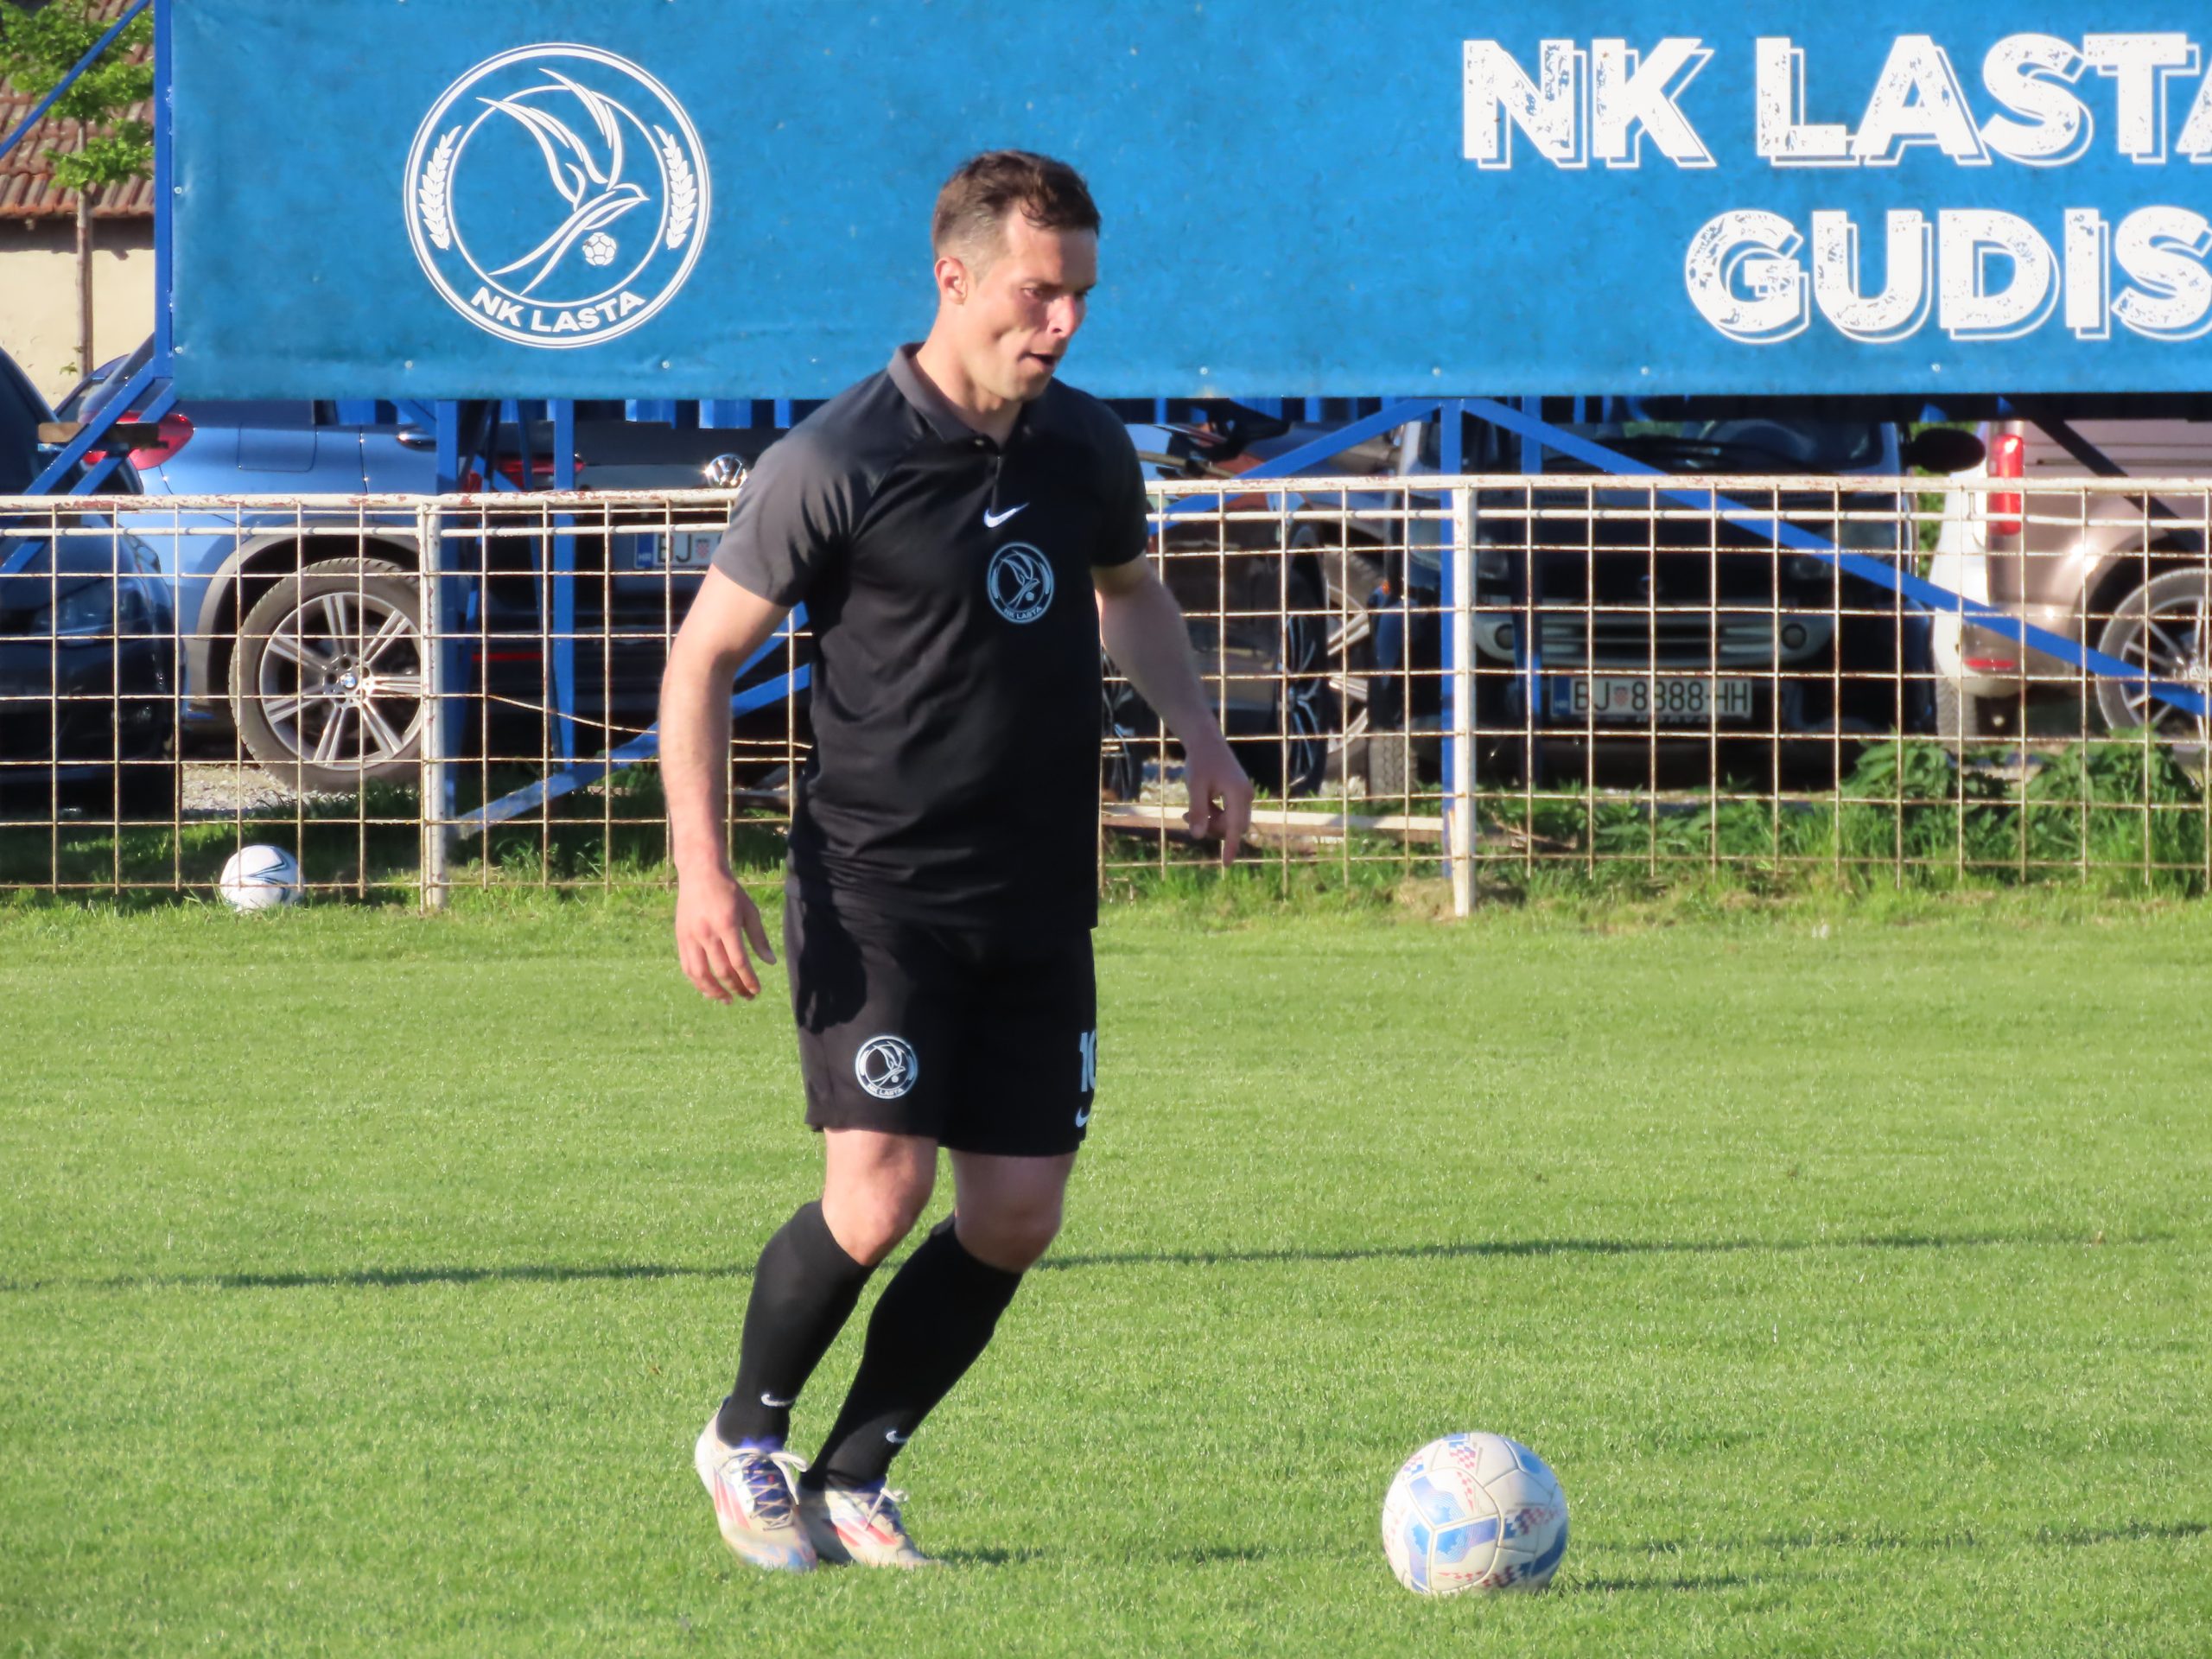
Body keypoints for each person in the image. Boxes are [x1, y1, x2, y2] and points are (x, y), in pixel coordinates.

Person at [658, 149, 1254, 1572]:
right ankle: (747, 1434)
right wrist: (702, 870)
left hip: (1039, 895)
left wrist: (1201, 734)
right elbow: (700, 663)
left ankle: (856, 1474)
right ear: (956, 277)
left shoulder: (1085, 447)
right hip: (878, 891)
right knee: (879, 1195)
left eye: (1081, 295)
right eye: (1039, 293)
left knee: (1017, 1214)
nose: (1064, 323)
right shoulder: (836, 460)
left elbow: (1130, 594)